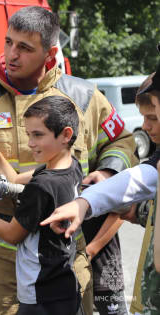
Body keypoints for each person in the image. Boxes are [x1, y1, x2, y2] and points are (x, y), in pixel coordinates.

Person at [0, 5, 137, 315]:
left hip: (63, 258)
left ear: (49, 55)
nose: (11, 54)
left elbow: (120, 142)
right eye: (8, 42)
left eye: (24, 47)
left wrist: (105, 171)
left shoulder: (85, 98)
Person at [41, 62, 160, 314]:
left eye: (155, 115)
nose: (148, 126)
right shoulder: (155, 165)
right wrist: (86, 201)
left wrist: (91, 246)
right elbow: (140, 179)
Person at [0, 96, 84, 315]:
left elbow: (12, 234)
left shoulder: (43, 185)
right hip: (63, 287)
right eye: (29, 135)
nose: (31, 143)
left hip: (40, 296)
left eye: (38, 135)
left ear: (66, 135)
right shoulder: (70, 166)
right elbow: (13, 179)